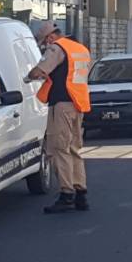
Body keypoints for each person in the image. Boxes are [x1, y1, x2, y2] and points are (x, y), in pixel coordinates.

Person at [26, 21, 92, 214]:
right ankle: (80, 193)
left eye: (44, 42)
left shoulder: (57, 48)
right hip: (77, 104)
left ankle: (66, 193)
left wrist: (28, 76)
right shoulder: (80, 48)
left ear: (51, 37)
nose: (45, 46)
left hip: (61, 105)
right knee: (74, 149)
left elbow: (41, 70)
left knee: (58, 149)